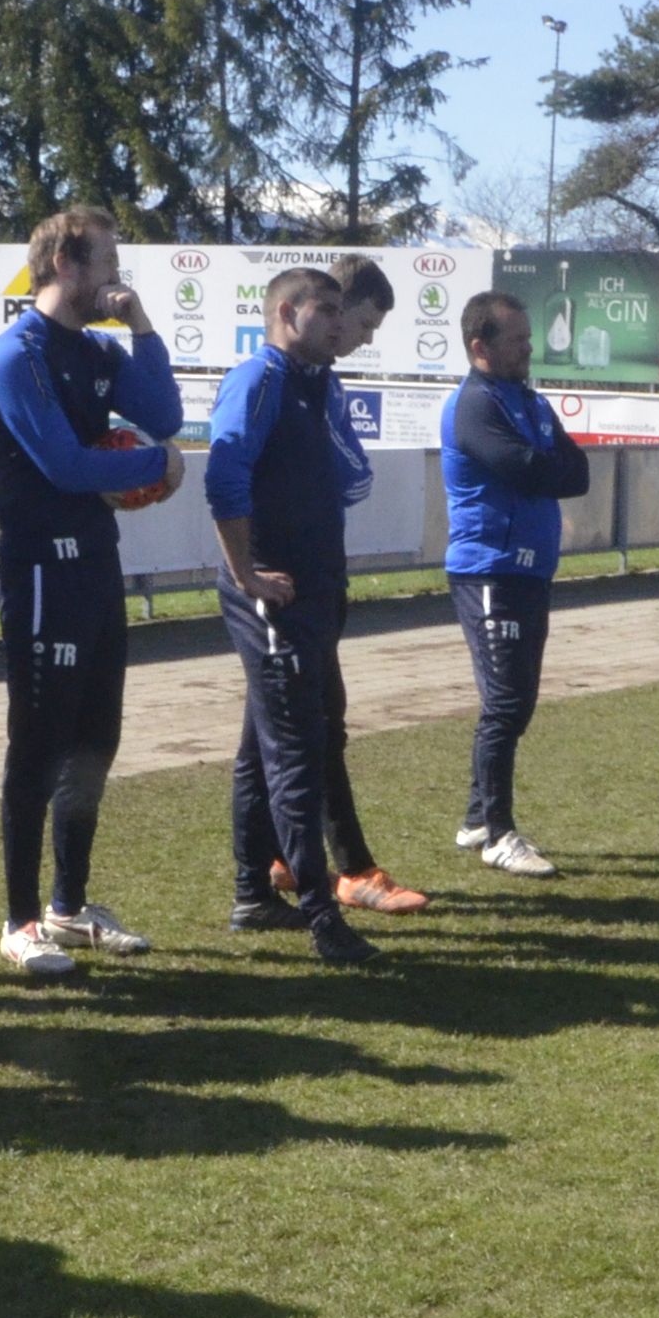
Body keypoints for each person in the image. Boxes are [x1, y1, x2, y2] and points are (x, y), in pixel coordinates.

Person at [0, 205, 182, 980]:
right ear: (65, 262)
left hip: (96, 564)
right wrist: (157, 466)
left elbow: (164, 413)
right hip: (41, 572)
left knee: (96, 740)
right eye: (107, 263)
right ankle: (20, 920)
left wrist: (143, 326)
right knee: (38, 747)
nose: (115, 279)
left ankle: (69, 903)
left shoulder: (97, 348)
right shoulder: (15, 355)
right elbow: (66, 466)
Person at [207, 268, 379, 965]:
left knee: (267, 744)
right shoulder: (259, 380)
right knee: (296, 751)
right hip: (273, 596)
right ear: (286, 312)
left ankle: (252, 893)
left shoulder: (315, 383)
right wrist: (246, 575)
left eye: (342, 311)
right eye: (326, 309)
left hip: (312, 590)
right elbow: (223, 478)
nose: (339, 322)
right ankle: (320, 914)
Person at [247, 252, 427, 915]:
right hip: (288, 580)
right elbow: (350, 477)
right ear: (331, 310)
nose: (364, 338)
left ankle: (274, 864)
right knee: (314, 726)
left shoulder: (320, 384)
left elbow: (349, 477)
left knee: (277, 733)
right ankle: (348, 868)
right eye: (364, 323)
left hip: (317, 572)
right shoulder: (279, 381)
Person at [438, 286, 590, 874]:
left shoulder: (529, 400)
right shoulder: (476, 404)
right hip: (489, 570)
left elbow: (576, 471)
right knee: (505, 702)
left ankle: (478, 817)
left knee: (517, 702)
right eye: (519, 339)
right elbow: (523, 469)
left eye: (530, 337)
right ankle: (500, 835)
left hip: (530, 571)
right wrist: (543, 465)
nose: (530, 348)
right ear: (481, 347)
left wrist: (544, 465)